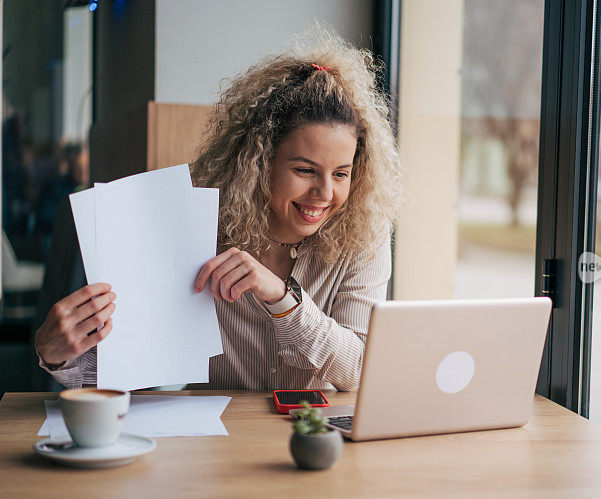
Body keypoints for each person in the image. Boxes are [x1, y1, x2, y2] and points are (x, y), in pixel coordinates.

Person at [34, 29, 404, 391]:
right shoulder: (199, 226)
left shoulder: (363, 232)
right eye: (305, 170)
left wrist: (280, 296)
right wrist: (57, 355)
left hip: (317, 439)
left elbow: (358, 370)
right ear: (260, 162)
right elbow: (126, 364)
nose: (324, 193)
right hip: (220, 442)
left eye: (341, 173)